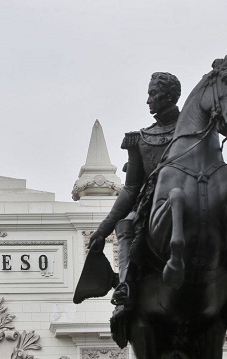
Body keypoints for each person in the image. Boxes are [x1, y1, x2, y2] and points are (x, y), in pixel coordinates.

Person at [86, 72, 182, 330]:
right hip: (152, 202)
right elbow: (130, 189)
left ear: (169, 95)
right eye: (149, 94)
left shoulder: (194, 131)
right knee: (127, 225)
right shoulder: (141, 138)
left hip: (195, 196)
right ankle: (125, 287)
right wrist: (103, 230)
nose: (148, 100)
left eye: (153, 94)